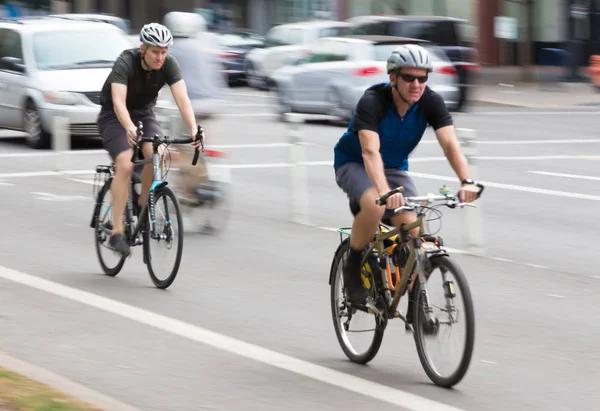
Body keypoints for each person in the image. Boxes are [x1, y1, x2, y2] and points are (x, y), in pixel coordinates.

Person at [333, 44, 481, 305]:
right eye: (409, 77)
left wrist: (466, 180)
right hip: (354, 163)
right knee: (374, 206)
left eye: (422, 77)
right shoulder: (372, 102)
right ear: (393, 78)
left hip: (394, 169)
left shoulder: (430, 101)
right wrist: (382, 191)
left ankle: (415, 301)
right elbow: (369, 152)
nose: (416, 84)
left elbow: (449, 144)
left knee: (414, 231)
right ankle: (353, 266)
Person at [96, 22, 203, 256]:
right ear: (143, 48)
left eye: (164, 52)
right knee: (125, 163)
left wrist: (194, 129)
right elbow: (118, 102)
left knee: (160, 153)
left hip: (144, 113)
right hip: (113, 117)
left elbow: (182, 99)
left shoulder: (168, 64)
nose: (160, 57)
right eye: (155, 51)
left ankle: (144, 203)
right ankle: (116, 232)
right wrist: (128, 126)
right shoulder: (125, 62)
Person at [160, 11, 228, 205]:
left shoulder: (174, 49)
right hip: (213, 102)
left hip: (190, 105)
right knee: (201, 142)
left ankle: (190, 189)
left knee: (181, 146)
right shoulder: (205, 46)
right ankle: (208, 176)